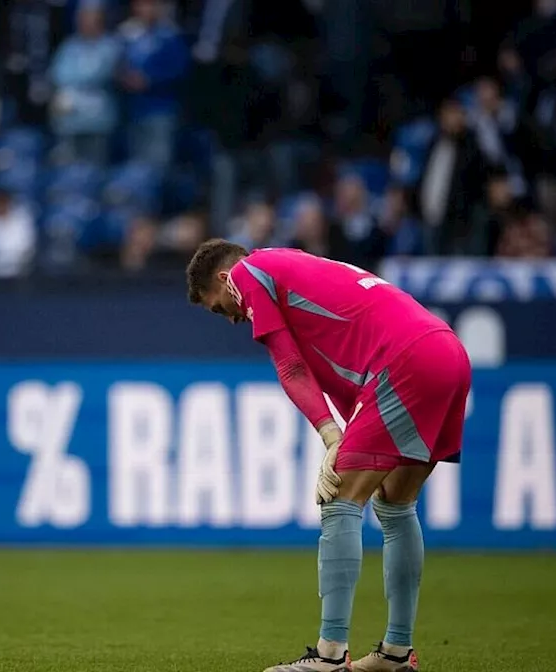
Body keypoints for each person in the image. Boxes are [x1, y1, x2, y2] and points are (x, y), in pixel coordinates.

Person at [185, 240, 472, 672]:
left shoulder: (248, 274)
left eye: (218, 307)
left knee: (339, 496)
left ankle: (330, 655)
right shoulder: (292, 264)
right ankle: (396, 652)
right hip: (446, 351)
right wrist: (340, 430)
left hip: (405, 359)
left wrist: (331, 435)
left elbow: (291, 368)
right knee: (396, 504)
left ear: (225, 280)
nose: (229, 317)